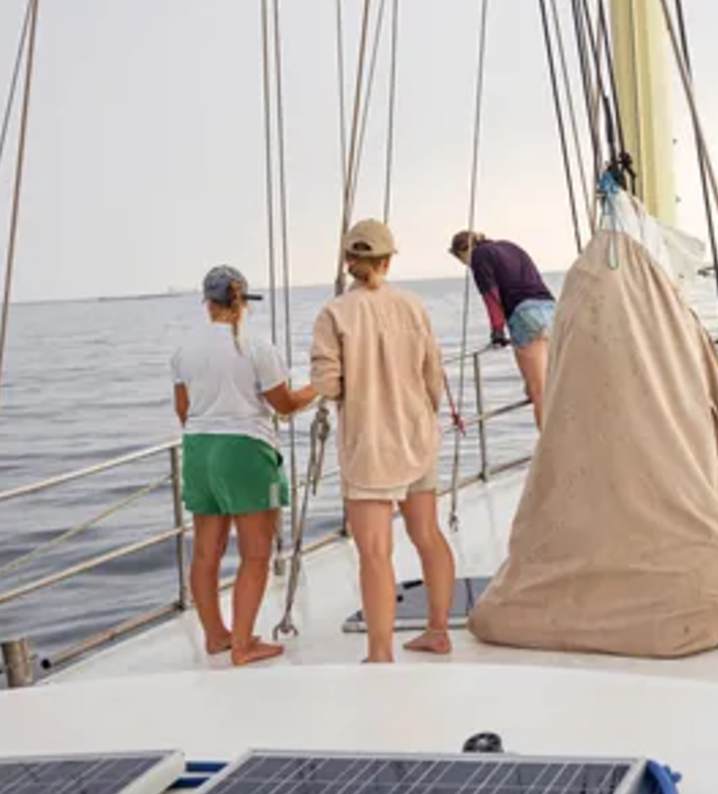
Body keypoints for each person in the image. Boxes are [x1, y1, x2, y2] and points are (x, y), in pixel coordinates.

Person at [312, 219, 457, 663]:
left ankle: (380, 653)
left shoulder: (334, 314)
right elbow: (434, 375)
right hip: (416, 437)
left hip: (370, 446)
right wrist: (421, 415)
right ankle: (437, 631)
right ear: (388, 259)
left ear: (349, 261)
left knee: (375, 553)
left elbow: (329, 385)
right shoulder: (414, 307)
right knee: (428, 535)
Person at [171, 266, 317, 667]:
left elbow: (183, 410)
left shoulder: (184, 348)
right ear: (242, 303)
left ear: (207, 303)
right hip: (245, 451)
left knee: (205, 555)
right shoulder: (256, 346)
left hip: (199, 450)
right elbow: (284, 404)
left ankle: (217, 637)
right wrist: (318, 388)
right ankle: (243, 645)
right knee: (255, 554)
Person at [450, 230, 555, 427]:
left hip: (525, 316)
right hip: (551, 311)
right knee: (548, 386)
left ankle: (551, 453)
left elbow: (491, 296)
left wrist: (497, 331)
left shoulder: (479, 257)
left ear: (463, 251)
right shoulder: (509, 246)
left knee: (538, 391)